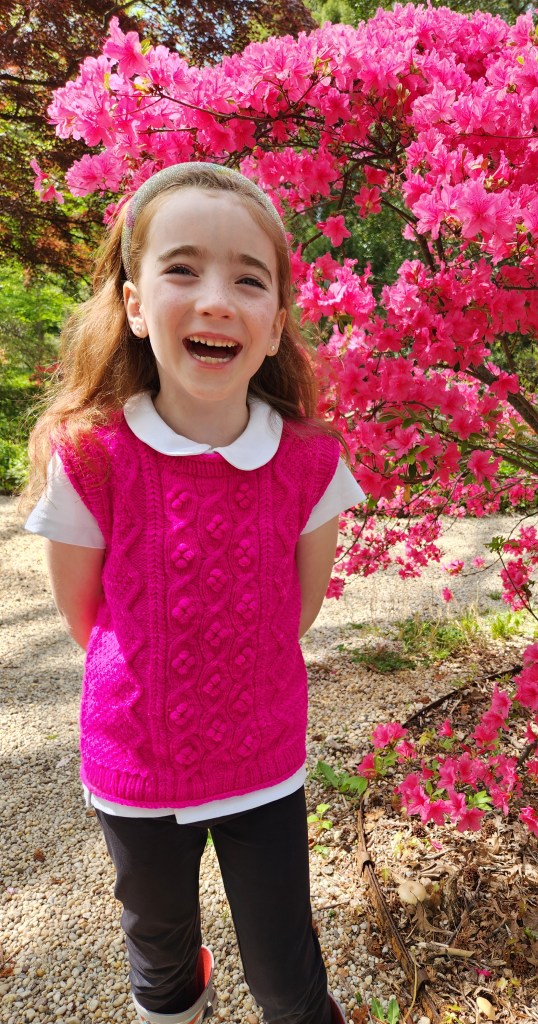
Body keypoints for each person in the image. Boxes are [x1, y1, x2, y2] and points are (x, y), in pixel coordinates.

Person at [23, 162, 364, 1024]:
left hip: (264, 764)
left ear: (275, 324)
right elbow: (86, 619)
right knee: (158, 945)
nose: (216, 300)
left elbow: (298, 610)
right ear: (135, 305)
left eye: (249, 279)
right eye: (183, 269)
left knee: (287, 977)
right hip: (134, 766)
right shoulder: (91, 457)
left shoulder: (311, 464)